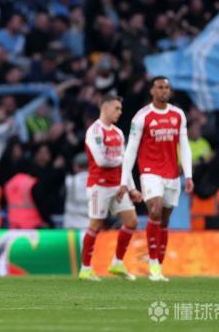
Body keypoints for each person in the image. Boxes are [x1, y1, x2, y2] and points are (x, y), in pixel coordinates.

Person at [122, 77, 194, 281]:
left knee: (164, 220)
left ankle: (159, 266)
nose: (164, 91)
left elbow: (184, 145)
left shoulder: (178, 114)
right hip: (150, 171)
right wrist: (125, 180)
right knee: (155, 209)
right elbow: (131, 150)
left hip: (172, 174)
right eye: (160, 87)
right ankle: (153, 264)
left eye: (167, 88)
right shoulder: (141, 117)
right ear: (152, 91)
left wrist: (188, 175)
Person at [79, 95, 141, 281]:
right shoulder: (94, 131)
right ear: (105, 108)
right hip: (99, 186)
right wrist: (122, 159)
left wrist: (132, 188)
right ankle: (85, 268)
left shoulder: (118, 133)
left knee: (132, 221)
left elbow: (125, 166)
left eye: (120, 109)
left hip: (117, 186)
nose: (119, 112)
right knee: (95, 225)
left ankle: (117, 263)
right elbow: (101, 160)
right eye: (116, 108)